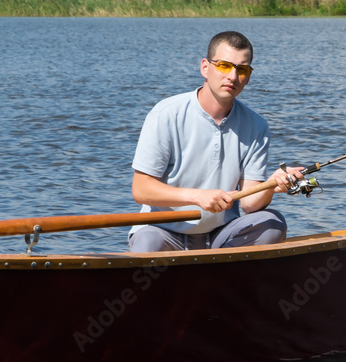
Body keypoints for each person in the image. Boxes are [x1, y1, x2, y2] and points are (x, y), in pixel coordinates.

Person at [128, 31, 302, 252]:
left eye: (242, 69)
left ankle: (225, 275)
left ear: (248, 76)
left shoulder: (257, 126)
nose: (232, 76)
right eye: (223, 66)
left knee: (272, 222)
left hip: (222, 235)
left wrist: (271, 185)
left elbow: (249, 205)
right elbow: (141, 189)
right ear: (205, 68)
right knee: (147, 242)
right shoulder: (166, 114)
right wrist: (198, 197)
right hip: (162, 231)